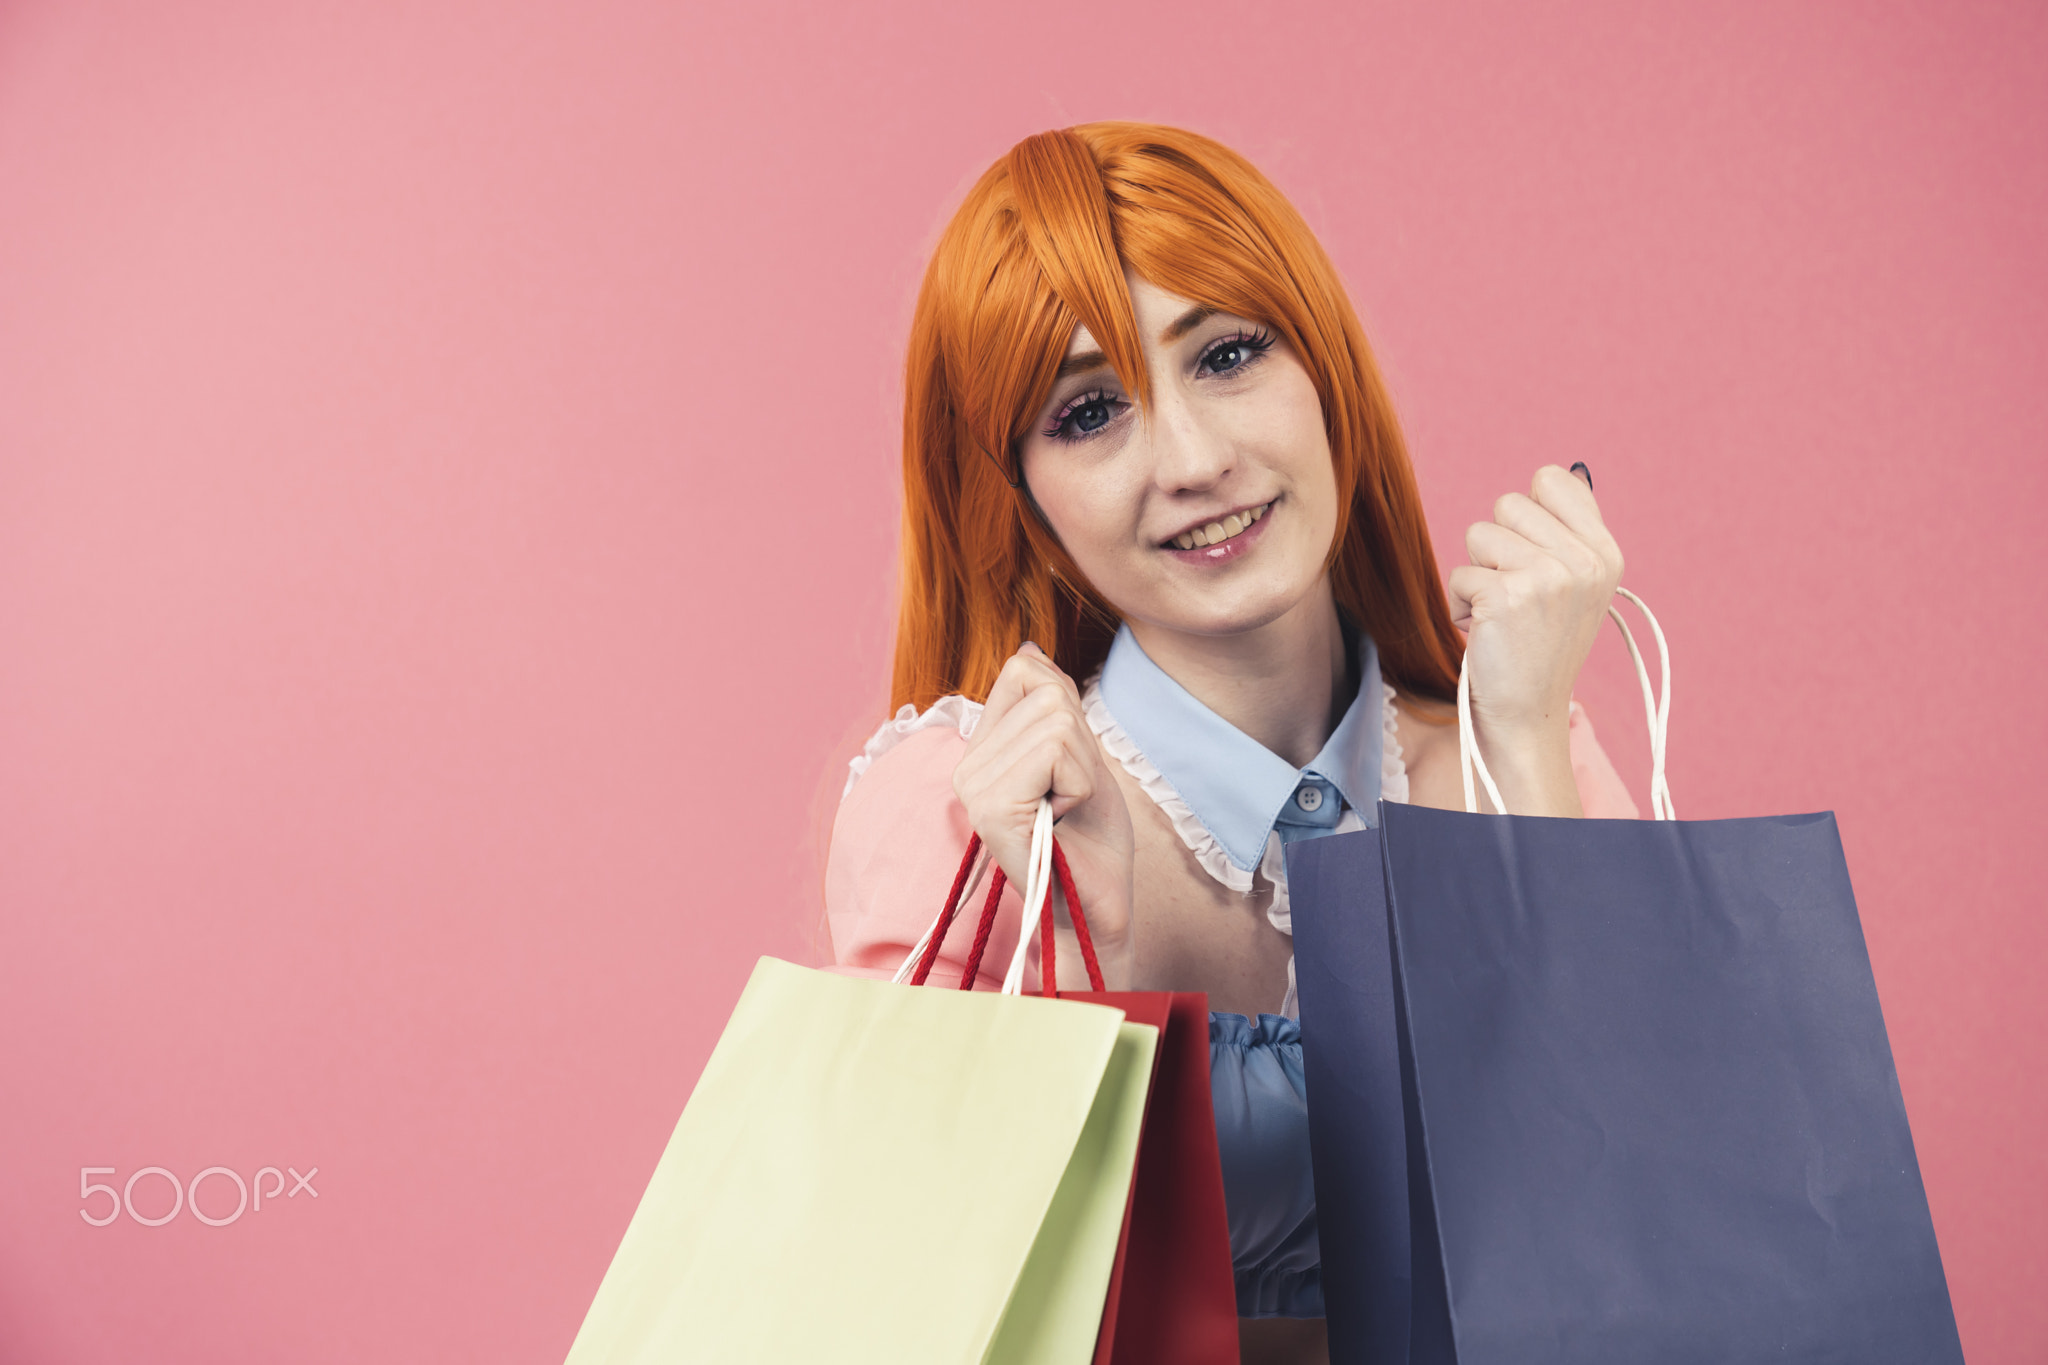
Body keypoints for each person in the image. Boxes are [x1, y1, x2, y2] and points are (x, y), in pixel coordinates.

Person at [824, 122, 1637, 1365]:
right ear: (1022, 504)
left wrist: (1519, 741)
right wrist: (1089, 937)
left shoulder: (1520, 750)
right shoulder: (965, 808)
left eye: (1228, 353)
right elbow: (916, 1311)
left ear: (1326, 376)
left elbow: (1635, 1228)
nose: (1194, 461)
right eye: (1089, 412)